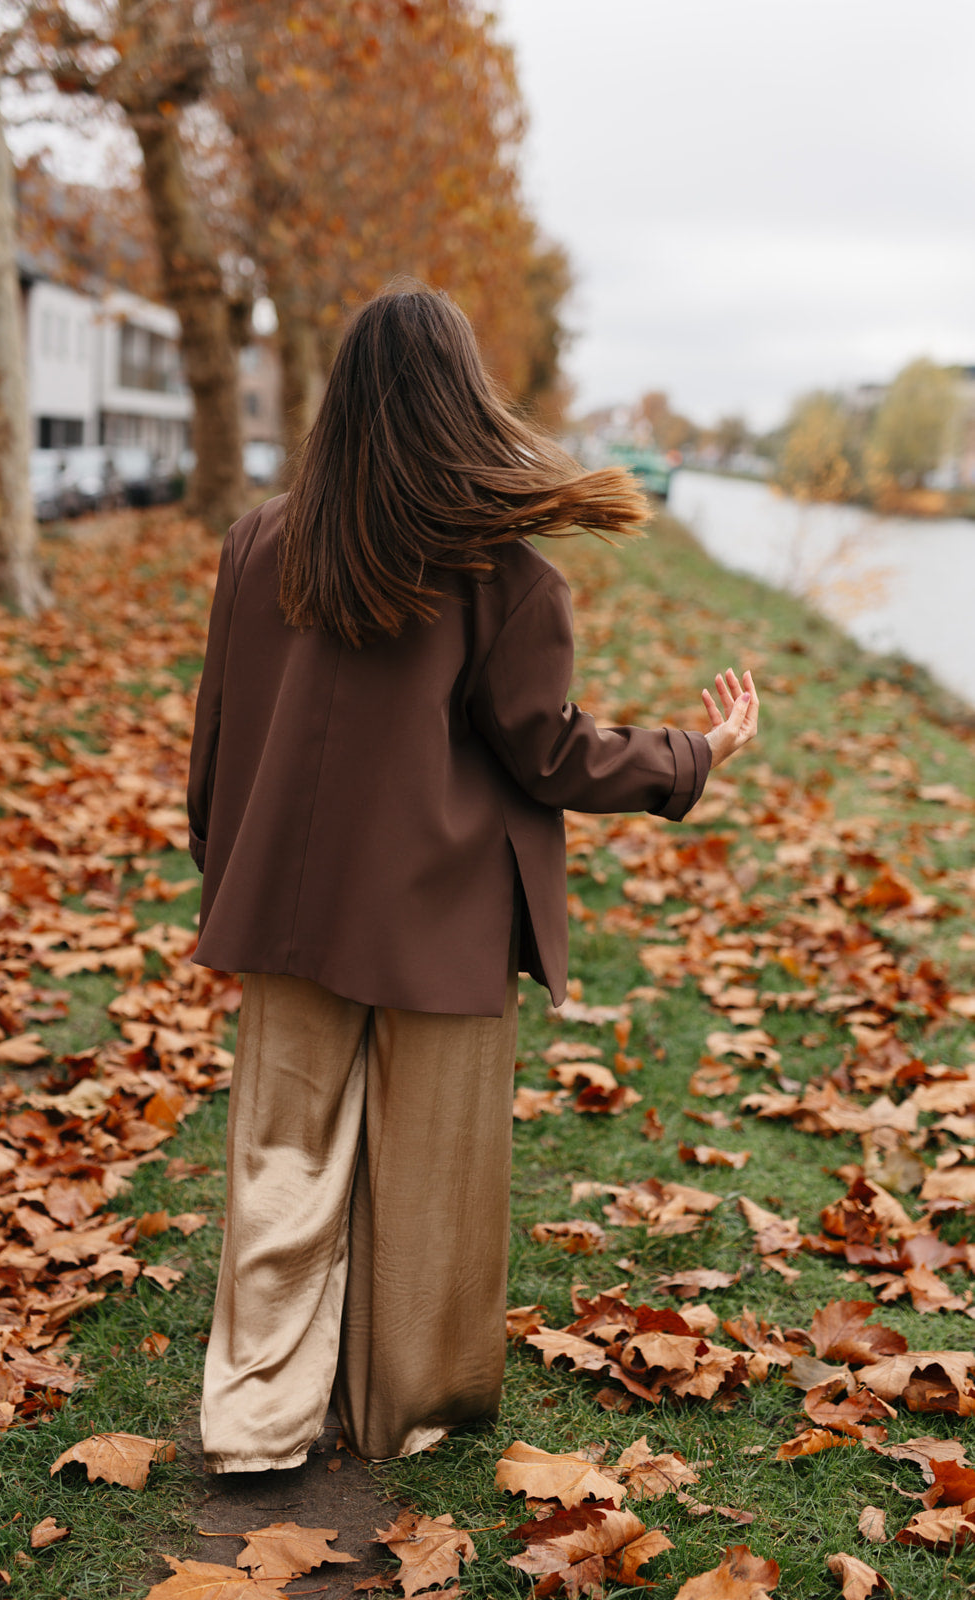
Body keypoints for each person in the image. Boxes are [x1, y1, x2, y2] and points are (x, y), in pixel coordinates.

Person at [186, 283, 759, 1474]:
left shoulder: (259, 542)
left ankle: (254, 1424)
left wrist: (221, 860)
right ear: (462, 399)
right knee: (428, 1186)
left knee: (280, 1166)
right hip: (440, 920)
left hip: (287, 905)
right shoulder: (503, 574)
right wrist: (689, 754)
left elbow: (220, 728)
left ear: (341, 397)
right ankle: (405, 1414)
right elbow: (547, 753)